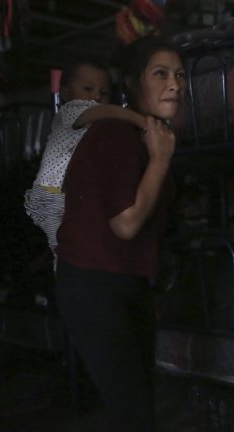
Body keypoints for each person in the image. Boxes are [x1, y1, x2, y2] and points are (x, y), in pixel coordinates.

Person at [54, 36, 186, 431]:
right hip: (94, 285)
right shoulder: (115, 133)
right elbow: (126, 223)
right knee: (135, 413)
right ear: (132, 82)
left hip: (126, 283)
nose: (175, 84)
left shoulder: (149, 138)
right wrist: (161, 160)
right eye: (160, 74)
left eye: (179, 75)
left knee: (139, 405)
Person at [24, 60, 146, 263]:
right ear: (65, 92)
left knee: (70, 248)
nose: (96, 97)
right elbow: (105, 111)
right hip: (51, 196)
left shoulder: (98, 128)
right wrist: (143, 122)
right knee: (65, 252)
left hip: (65, 195)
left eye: (104, 93)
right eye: (88, 89)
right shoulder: (69, 112)